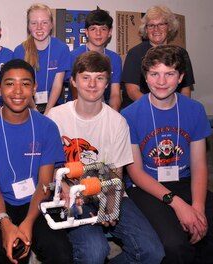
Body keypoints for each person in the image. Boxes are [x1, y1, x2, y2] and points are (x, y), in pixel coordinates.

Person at [47, 51, 164, 264]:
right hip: (71, 194)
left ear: (107, 83)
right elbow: (48, 167)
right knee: (94, 251)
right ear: (73, 81)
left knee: (151, 252)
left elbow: (116, 174)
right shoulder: (55, 116)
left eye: (99, 78)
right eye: (86, 77)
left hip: (106, 189)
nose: (92, 84)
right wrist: (64, 188)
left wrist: (110, 204)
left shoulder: (118, 122)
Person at [0, 59, 73, 264]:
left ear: (34, 88)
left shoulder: (47, 127)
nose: (18, 91)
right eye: (10, 83)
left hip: (37, 201)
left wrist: (27, 222)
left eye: (25, 84)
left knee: (60, 252)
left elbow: (45, 184)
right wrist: (6, 223)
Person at [122, 45, 213, 264]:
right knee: (174, 244)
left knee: (205, 228)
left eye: (169, 73)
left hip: (185, 179)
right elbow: (136, 173)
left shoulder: (195, 110)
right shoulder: (129, 115)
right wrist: (179, 205)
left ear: (181, 77)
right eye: (154, 74)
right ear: (145, 77)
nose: (161, 82)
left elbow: (200, 164)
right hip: (147, 187)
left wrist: (197, 208)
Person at [121, 5, 195, 109]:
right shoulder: (135, 53)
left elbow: (185, 90)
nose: (156, 29)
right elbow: (132, 91)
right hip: (142, 109)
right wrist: (157, 110)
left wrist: (179, 110)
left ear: (169, 27)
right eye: (151, 25)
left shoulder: (181, 54)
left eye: (161, 24)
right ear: (146, 29)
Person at [13, 3, 71, 115]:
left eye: (44, 22)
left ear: (51, 25)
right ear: (29, 26)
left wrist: (48, 111)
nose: (39, 27)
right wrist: (34, 110)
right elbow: (22, 85)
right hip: (26, 106)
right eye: (34, 23)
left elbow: (57, 84)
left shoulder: (62, 49)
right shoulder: (20, 51)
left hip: (53, 106)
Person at [69, 8, 122, 111]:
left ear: (110, 32)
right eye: (93, 29)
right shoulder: (74, 56)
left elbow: (115, 94)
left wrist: (112, 116)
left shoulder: (115, 59)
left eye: (103, 29)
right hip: (77, 111)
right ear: (87, 32)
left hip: (103, 110)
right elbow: (74, 90)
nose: (98, 33)